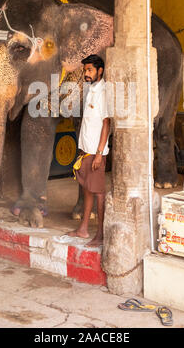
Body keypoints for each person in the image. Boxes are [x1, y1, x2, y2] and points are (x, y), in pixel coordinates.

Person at [68, 54, 111, 247]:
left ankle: (100, 234)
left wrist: (100, 153)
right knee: (87, 190)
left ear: (99, 71)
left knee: (99, 193)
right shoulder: (91, 89)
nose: (86, 73)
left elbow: (106, 124)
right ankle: (83, 228)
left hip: (96, 153)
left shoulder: (103, 92)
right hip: (86, 150)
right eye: (85, 70)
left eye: (89, 70)